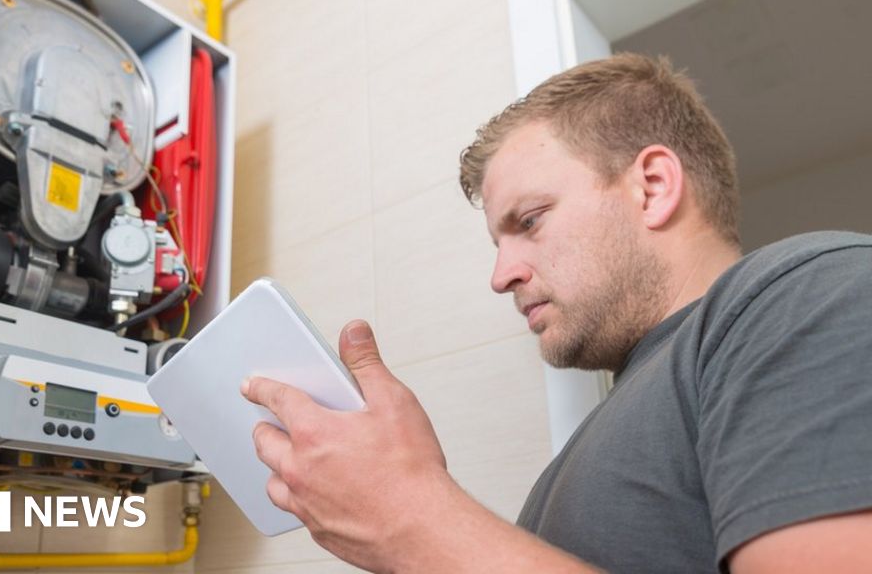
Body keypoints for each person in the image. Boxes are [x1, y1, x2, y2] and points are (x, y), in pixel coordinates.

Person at [241, 53, 872, 573]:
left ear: (652, 186)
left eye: (530, 221)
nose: (500, 275)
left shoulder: (806, 291)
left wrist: (412, 517)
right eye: (497, 242)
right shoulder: (605, 435)